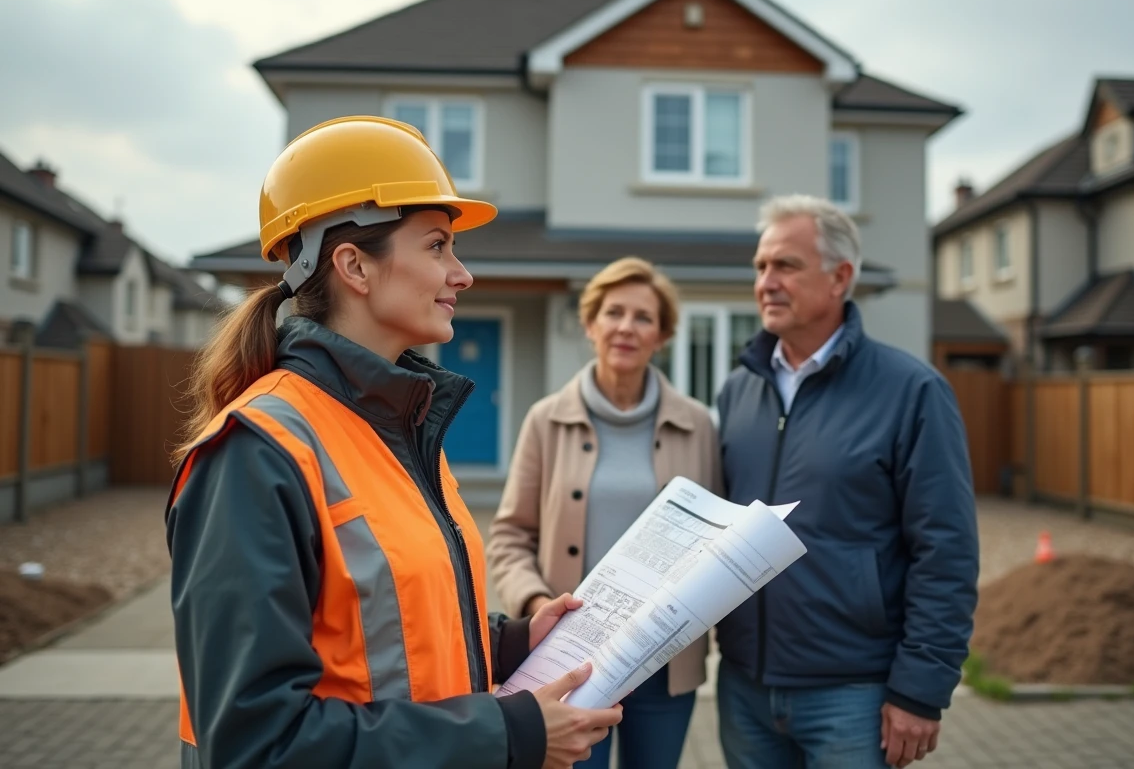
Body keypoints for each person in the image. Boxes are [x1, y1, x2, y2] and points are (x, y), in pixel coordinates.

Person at [165, 115, 622, 769]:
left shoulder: (397, 429)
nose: (461, 275)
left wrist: (515, 641)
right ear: (354, 265)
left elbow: (391, 634)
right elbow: (255, 744)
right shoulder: (255, 454)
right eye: (438, 246)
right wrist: (506, 734)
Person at [714, 194, 979, 769]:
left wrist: (920, 690)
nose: (766, 282)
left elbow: (946, 552)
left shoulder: (912, 392)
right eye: (760, 267)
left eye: (785, 265)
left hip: (853, 694)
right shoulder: (739, 391)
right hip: (743, 688)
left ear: (840, 278)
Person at [486, 256, 722, 769]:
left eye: (643, 317)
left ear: (662, 334)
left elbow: (716, 543)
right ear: (590, 324)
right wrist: (537, 600)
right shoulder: (546, 420)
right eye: (613, 312)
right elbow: (508, 536)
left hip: (666, 662)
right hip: (571, 662)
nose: (626, 328)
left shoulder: (698, 425)